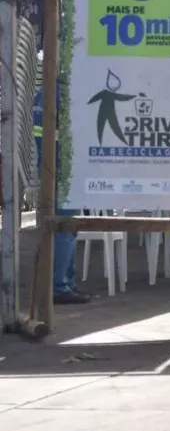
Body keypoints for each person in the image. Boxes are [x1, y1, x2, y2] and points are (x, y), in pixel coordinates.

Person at [33, 87, 89, 304]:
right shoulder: (64, 95)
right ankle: (59, 286)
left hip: (52, 167)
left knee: (68, 228)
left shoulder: (42, 93)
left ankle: (66, 282)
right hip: (63, 168)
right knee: (65, 228)